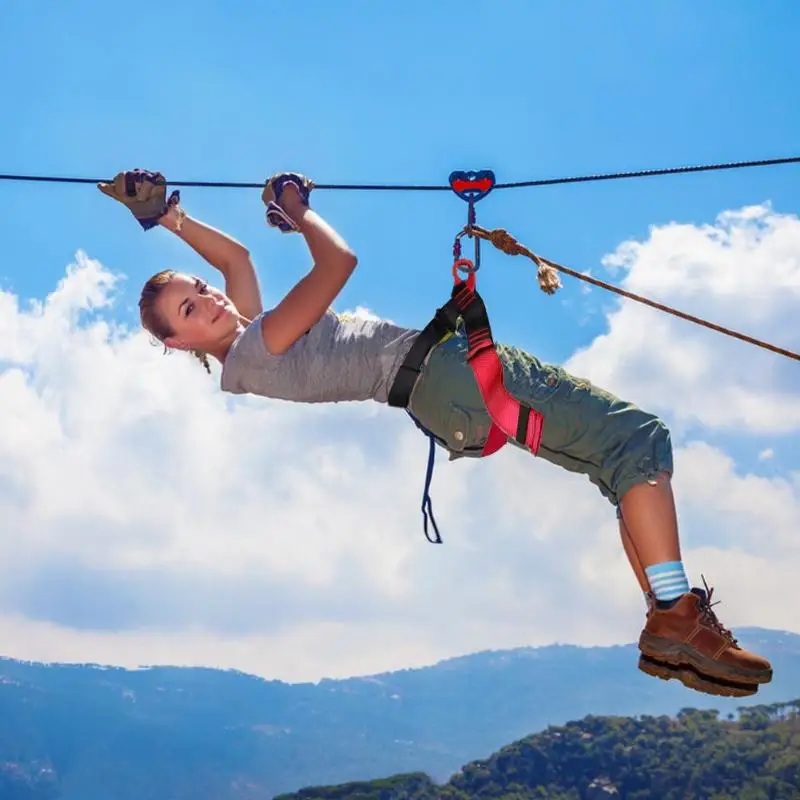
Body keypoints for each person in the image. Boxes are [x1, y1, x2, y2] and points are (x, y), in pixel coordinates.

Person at [98, 168, 772, 698]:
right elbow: (337, 264)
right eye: (190, 309)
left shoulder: (245, 343)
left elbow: (238, 261)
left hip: (441, 392)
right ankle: (676, 616)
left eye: (200, 290)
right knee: (636, 441)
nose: (210, 301)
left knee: (616, 463)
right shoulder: (256, 349)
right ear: (177, 343)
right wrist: (298, 211)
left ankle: (671, 620)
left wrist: (168, 217)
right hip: (449, 377)